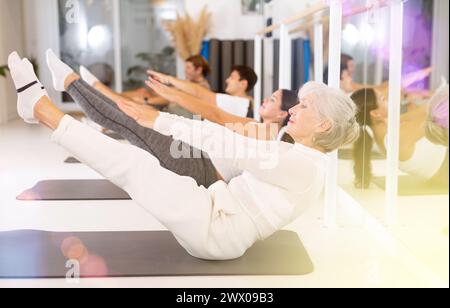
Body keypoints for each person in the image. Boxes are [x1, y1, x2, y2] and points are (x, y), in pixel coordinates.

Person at [9, 50, 359, 260]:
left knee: (135, 166)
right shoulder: (299, 157)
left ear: (324, 126)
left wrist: (162, 119)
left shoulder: (304, 168)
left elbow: (228, 143)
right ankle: (42, 106)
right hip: (214, 207)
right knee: (137, 161)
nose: (293, 109)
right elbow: (230, 142)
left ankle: (41, 109)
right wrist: (164, 116)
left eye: (305, 105)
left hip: (217, 232)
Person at [351, 85, 449, 189]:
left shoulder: (387, 134)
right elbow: (435, 111)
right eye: (383, 99)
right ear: (375, 113)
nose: (388, 99)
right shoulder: (395, 139)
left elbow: (417, 115)